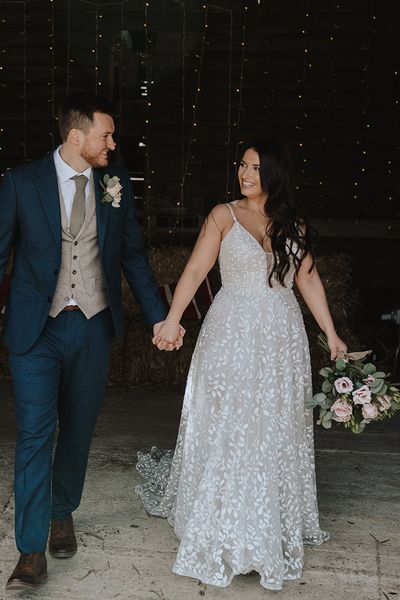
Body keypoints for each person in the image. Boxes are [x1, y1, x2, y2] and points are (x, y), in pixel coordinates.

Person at [136, 139, 347, 590]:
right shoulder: (222, 214)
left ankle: (266, 524)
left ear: (274, 174)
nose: (244, 174)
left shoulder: (294, 224)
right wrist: (171, 321)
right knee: (230, 421)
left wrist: (330, 333)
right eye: (241, 166)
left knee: (272, 425)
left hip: (281, 337)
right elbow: (194, 270)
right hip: (230, 332)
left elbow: (308, 279)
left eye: (254, 167)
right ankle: (228, 527)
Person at [0, 92, 178, 591]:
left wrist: (161, 318)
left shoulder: (114, 184)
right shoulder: (20, 183)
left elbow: (135, 259)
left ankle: (62, 512)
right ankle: (30, 551)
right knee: (35, 435)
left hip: (93, 326)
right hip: (36, 330)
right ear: (76, 136)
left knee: (77, 429)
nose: (113, 143)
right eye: (106, 135)